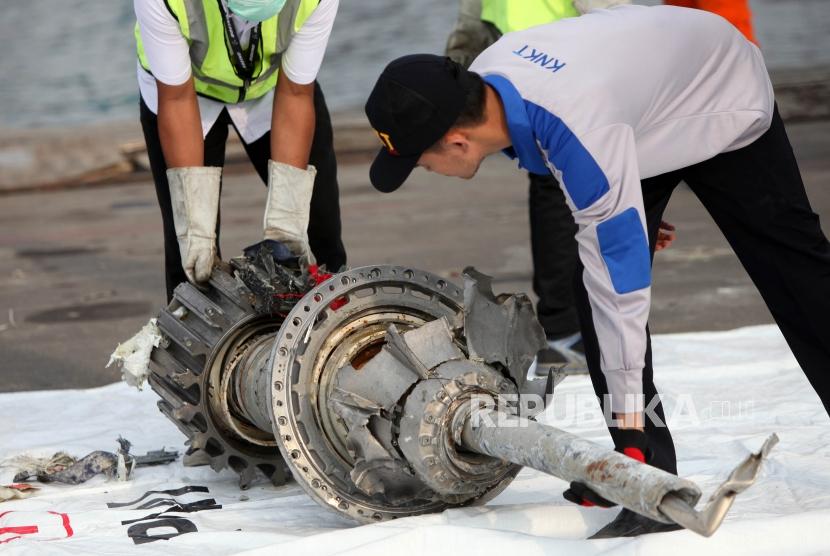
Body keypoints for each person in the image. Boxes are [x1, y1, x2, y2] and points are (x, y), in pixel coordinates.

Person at [364, 4, 830, 537]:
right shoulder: (489, 77)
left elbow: (623, 290)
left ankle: (632, 446)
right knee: (593, 282)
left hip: (718, 86)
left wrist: (618, 215)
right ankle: (645, 475)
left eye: (418, 162)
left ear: (457, 141)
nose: (425, 170)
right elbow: (592, 164)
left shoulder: (574, 121)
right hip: (633, 111)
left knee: (794, 270)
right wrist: (622, 209)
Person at [445, 0, 676, 376]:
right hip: (558, 50)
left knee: (555, 182)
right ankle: (567, 326)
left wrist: (463, 42)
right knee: (561, 185)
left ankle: (565, 323)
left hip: (520, 39)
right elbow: (612, 10)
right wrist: (632, 31)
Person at [134, 0, 346, 302]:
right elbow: (177, 98)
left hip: (274, 87)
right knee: (190, 259)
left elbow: (297, 92)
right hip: (186, 93)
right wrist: (196, 229)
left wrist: (287, 224)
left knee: (319, 234)